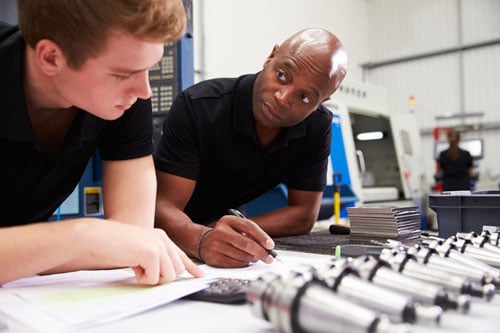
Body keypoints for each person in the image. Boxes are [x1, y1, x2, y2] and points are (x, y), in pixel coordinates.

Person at [0, 0, 203, 285]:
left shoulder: (127, 99)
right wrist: (82, 236)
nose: (144, 92)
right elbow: (113, 243)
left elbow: (131, 238)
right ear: (50, 58)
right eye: (122, 74)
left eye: (149, 69)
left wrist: (41, 249)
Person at [154, 28, 348, 268]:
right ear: (270, 56)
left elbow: (303, 215)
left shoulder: (317, 125)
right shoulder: (198, 107)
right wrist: (203, 238)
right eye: (282, 75)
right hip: (170, 240)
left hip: (224, 233)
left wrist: (237, 232)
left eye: (306, 98)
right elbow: (163, 207)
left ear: (321, 102)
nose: (283, 97)